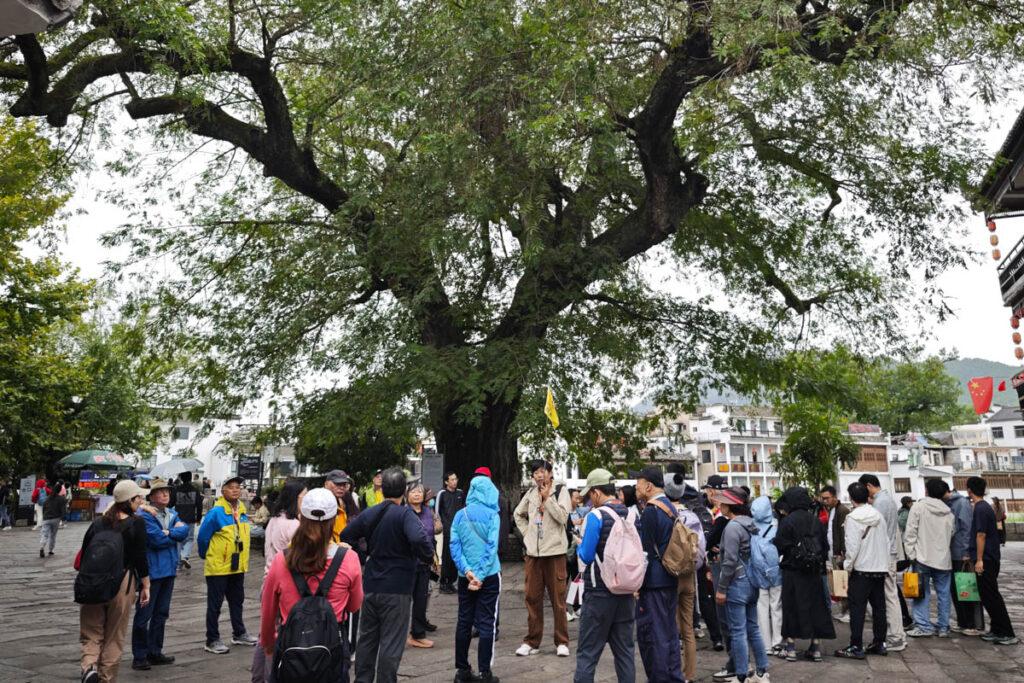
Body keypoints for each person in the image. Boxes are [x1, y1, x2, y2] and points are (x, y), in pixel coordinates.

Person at [260, 488, 364, 683]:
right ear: (334, 519)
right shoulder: (349, 559)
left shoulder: (282, 560)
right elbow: (354, 605)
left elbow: (268, 611)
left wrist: (268, 644)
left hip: (291, 646)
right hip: (332, 647)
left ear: (301, 517)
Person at [341, 467, 434, 683]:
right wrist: (426, 556)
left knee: (367, 639)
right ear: (404, 490)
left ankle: (362, 679)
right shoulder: (405, 515)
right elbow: (419, 539)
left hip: (371, 583)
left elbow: (347, 535)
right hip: (398, 587)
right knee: (391, 642)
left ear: (382, 490)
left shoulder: (371, 513)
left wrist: (364, 554)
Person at [78, 480, 151, 683]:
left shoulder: (99, 522)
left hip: (92, 581)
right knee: (114, 635)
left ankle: (89, 667)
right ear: (130, 500)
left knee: (91, 631)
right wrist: (146, 584)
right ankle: (106, 678)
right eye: (139, 497)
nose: (141, 501)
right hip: (122, 582)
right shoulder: (137, 523)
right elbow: (140, 557)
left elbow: (84, 553)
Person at [573, 468, 636, 683]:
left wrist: (579, 544)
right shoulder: (631, 514)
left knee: (587, 653)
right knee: (625, 652)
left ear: (597, 492)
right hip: (625, 591)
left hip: (599, 591)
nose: (590, 500)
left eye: (590, 495)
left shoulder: (596, 515)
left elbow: (587, 555)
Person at [512, 459, 573, 657]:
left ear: (550, 472)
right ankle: (532, 641)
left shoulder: (560, 491)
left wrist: (548, 499)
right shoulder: (530, 493)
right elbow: (518, 514)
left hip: (555, 553)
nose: (539, 475)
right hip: (533, 555)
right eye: (535, 472)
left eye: (542, 471)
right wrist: (527, 535)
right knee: (532, 598)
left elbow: (563, 517)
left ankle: (561, 641)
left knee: (558, 599)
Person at [450, 471, 503, 683]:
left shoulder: (459, 515)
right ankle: (484, 672)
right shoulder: (493, 516)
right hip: (488, 576)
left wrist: (467, 571)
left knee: (464, 621)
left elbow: (454, 546)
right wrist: (479, 576)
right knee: (487, 623)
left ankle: (462, 670)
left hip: (465, 577)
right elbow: (492, 547)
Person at [131, 478, 189, 670]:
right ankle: (139, 655)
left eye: (167, 491)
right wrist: (172, 534)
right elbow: (156, 540)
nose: (165, 494)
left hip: (169, 569)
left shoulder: (172, 513)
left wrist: (167, 533)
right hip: (152, 571)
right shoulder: (144, 516)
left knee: (161, 613)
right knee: (144, 615)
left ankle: (155, 651)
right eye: (160, 491)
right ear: (152, 496)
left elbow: (185, 531)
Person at [633, 466, 684, 682]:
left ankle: (660, 678)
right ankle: (674, 676)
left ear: (648, 486)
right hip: (670, 577)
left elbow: (645, 552)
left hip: (653, 582)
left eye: (638, 485)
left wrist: (637, 584)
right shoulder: (670, 507)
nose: (636, 489)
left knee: (654, 637)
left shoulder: (651, 511)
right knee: (670, 633)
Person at [253, 479, 307, 683]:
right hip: (285, 585)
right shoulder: (294, 525)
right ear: (295, 498)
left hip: (267, 581)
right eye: (304, 496)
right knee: (278, 636)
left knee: (265, 634)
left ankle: (258, 677)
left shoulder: (274, 520)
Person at [773, 486, 835, 662]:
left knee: (791, 607)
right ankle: (815, 648)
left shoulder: (788, 521)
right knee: (816, 607)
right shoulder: (815, 520)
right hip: (813, 571)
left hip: (793, 571)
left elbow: (780, 545)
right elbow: (824, 546)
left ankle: (791, 648)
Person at [713, 487, 769, 683]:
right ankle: (762, 672)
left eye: (723, 502)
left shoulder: (732, 527)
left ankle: (742, 675)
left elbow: (729, 561)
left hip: (737, 582)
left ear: (730, 505)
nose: (720, 505)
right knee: (753, 628)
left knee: (737, 631)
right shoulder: (751, 523)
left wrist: (721, 589)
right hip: (752, 580)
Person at [198, 476, 257, 654]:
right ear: (223, 490)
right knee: (215, 604)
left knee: (237, 601)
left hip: (237, 566)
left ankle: (239, 633)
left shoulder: (242, 510)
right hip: (218, 566)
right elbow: (202, 538)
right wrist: (207, 555)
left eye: (237, 487)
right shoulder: (216, 513)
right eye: (231, 487)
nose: (235, 490)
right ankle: (212, 639)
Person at [834, 482, 888, 659]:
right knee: (879, 608)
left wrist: (847, 566)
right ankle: (880, 642)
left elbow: (852, 546)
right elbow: (886, 541)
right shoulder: (878, 515)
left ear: (851, 498)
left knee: (857, 609)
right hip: (879, 568)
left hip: (862, 569)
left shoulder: (853, 518)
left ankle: (856, 645)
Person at [858, 474, 907, 652]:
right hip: (889, 552)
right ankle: (896, 635)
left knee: (889, 596)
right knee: (889, 595)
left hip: (885, 555)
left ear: (868, 486)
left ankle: (896, 637)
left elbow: (874, 532)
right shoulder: (888, 499)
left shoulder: (880, 503)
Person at [966, 476, 1018, 645]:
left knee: (991, 596)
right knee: (988, 595)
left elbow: (981, 535)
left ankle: (1006, 632)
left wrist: (979, 559)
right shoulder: (984, 507)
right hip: (989, 556)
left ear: (969, 490)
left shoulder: (980, 508)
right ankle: (996, 629)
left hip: (986, 558)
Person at [665, 470, 705, 683]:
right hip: (690, 575)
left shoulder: (666, 515)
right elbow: (701, 549)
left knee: (671, 626)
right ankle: (689, 674)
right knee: (688, 627)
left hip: (671, 575)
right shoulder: (693, 516)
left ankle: (673, 671)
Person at [903, 479, 955, 638]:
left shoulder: (918, 507)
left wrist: (911, 554)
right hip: (943, 559)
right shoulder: (948, 512)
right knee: (944, 594)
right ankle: (943, 627)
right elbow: (952, 533)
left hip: (922, 557)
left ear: (926, 491)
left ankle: (924, 626)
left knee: (921, 593)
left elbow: (910, 532)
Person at [683, 483, 721, 649]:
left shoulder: (682, 513)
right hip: (702, 560)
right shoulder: (704, 512)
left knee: (685, 600)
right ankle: (716, 637)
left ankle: (686, 634)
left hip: (684, 563)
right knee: (706, 599)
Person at [944, 485, 985, 635]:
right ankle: (963, 622)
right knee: (956, 590)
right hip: (952, 553)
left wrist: (967, 551)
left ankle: (973, 625)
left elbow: (968, 528)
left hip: (962, 555)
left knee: (967, 589)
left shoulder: (961, 503)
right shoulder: (947, 504)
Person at [406, 481, 442, 648]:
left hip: (424, 563)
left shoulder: (428, 512)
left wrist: (434, 558)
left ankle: (417, 634)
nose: (417, 494)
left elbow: (432, 535)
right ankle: (396, 633)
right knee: (402, 601)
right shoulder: (404, 512)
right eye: (413, 491)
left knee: (421, 600)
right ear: (406, 495)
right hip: (407, 563)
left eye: (419, 491)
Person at [751, 496, 783, 657]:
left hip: (758, 574)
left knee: (761, 609)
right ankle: (778, 642)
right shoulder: (777, 525)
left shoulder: (751, 527)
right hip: (776, 571)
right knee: (777, 607)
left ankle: (765, 645)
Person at [818, 486, 849, 622]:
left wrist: (841, 552)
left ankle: (848, 611)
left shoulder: (842, 510)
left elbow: (843, 533)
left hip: (839, 553)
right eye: (823, 498)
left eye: (827, 498)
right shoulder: (831, 510)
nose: (824, 501)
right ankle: (844, 610)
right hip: (833, 552)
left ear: (834, 497)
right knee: (838, 583)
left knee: (843, 582)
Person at [437, 471, 466, 595]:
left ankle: (451, 582)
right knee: (446, 557)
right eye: (452, 479)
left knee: (456, 556)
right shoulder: (442, 494)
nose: (455, 481)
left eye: (456, 479)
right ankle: (443, 582)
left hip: (459, 530)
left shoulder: (460, 493)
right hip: (446, 531)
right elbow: (437, 512)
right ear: (446, 482)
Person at [171, 472, 203, 570]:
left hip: (178, 519)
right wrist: (198, 518)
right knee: (189, 539)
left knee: (179, 540)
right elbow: (199, 505)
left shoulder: (176, 490)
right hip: (190, 518)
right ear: (190, 478)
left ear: (181, 478)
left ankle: (178, 565)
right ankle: (185, 556)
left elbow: (170, 503)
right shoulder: (195, 490)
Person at [324, 469, 359, 542]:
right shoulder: (319, 502)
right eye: (337, 484)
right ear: (326, 484)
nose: (342, 487)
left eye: (344, 484)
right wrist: (335, 547)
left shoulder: (345, 498)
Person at [39, 479, 67, 558]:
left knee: (44, 534)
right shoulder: (62, 499)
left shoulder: (47, 498)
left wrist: (44, 517)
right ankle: (51, 550)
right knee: (53, 535)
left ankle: (42, 547)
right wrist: (63, 519)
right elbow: (63, 510)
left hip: (46, 518)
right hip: (56, 519)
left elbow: (44, 509)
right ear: (60, 490)